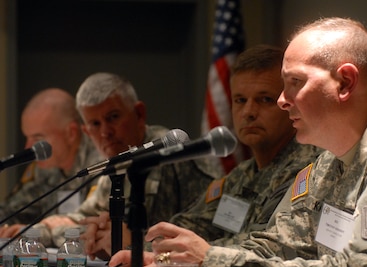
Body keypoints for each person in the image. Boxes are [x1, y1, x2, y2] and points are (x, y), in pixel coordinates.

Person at [110, 17, 367, 267]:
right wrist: (181, 261)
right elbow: (282, 243)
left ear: (345, 82)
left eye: (295, 82)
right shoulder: (328, 162)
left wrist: (211, 263)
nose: (282, 100)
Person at [81, 45, 321, 259]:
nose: (248, 111)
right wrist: (121, 238)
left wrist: (134, 246)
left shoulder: (307, 171)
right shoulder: (242, 175)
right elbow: (192, 224)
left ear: (288, 104)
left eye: (265, 99)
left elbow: (265, 249)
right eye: (239, 100)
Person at [2, 72, 219, 251]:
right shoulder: (116, 163)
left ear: (139, 114)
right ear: (86, 131)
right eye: (95, 124)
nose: (105, 132)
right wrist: (42, 230)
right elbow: (86, 219)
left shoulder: (168, 154)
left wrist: (121, 238)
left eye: (113, 117)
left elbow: (203, 233)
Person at [0, 88, 101, 225]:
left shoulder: (99, 162)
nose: (28, 147)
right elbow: (13, 211)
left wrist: (35, 232)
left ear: (71, 133)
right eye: (27, 137)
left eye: (37, 138)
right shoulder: (45, 165)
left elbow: (93, 224)